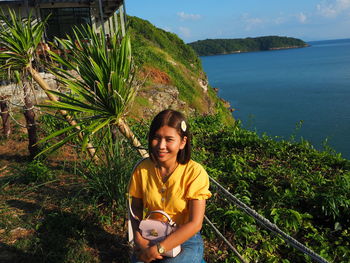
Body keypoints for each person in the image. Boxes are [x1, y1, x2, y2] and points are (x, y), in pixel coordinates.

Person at [129, 109, 212, 263]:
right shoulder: (142, 169)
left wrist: (158, 249)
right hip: (151, 233)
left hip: (185, 238)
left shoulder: (194, 173)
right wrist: (139, 240)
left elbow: (195, 223)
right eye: (156, 138)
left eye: (169, 139)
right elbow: (135, 209)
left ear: (182, 142)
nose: (161, 145)